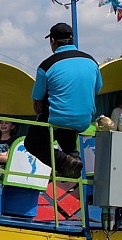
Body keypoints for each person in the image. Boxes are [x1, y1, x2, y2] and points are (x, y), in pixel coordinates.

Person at [25, 23, 102, 178]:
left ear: (53, 41)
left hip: (58, 118)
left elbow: (37, 101)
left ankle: (65, 161)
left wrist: (41, 117)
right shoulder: (92, 61)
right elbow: (98, 88)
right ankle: (74, 159)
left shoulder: (47, 65)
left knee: (32, 143)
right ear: (72, 38)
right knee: (67, 129)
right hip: (84, 120)